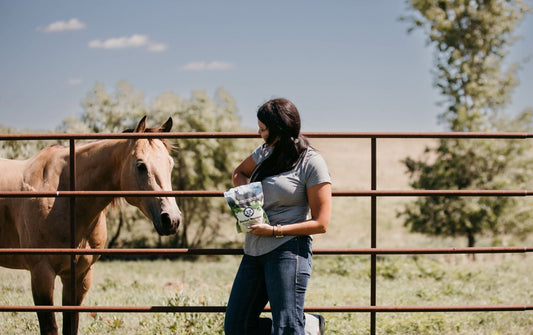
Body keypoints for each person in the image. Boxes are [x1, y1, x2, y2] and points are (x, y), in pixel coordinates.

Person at [224, 98, 332, 335]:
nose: (259, 132)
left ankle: (302, 326)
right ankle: (308, 325)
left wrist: (274, 231)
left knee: (287, 328)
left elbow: (321, 223)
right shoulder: (264, 152)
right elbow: (239, 172)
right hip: (254, 251)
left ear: (279, 130)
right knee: (236, 327)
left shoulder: (311, 162)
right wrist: (246, 199)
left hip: (287, 250)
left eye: (263, 129)